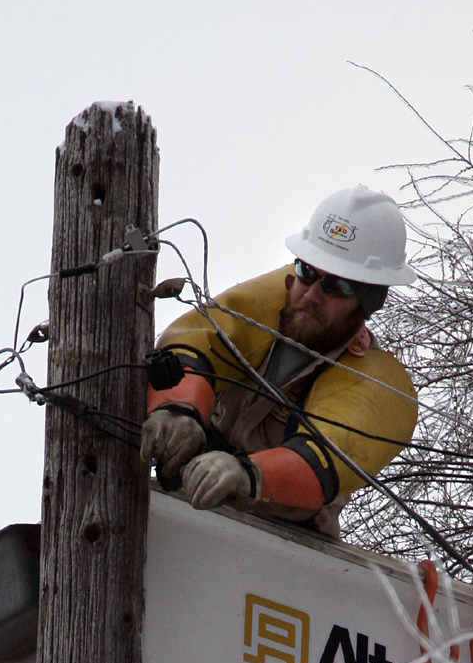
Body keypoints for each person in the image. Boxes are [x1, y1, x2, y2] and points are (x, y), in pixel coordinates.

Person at [139, 184, 418, 538]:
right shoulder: (257, 315)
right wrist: (178, 410)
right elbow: (194, 343)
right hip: (186, 518)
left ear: (366, 303)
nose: (312, 294)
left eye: (337, 286)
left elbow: (322, 462)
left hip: (284, 552)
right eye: (307, 271)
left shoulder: (374, 387)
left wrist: (245, 474)